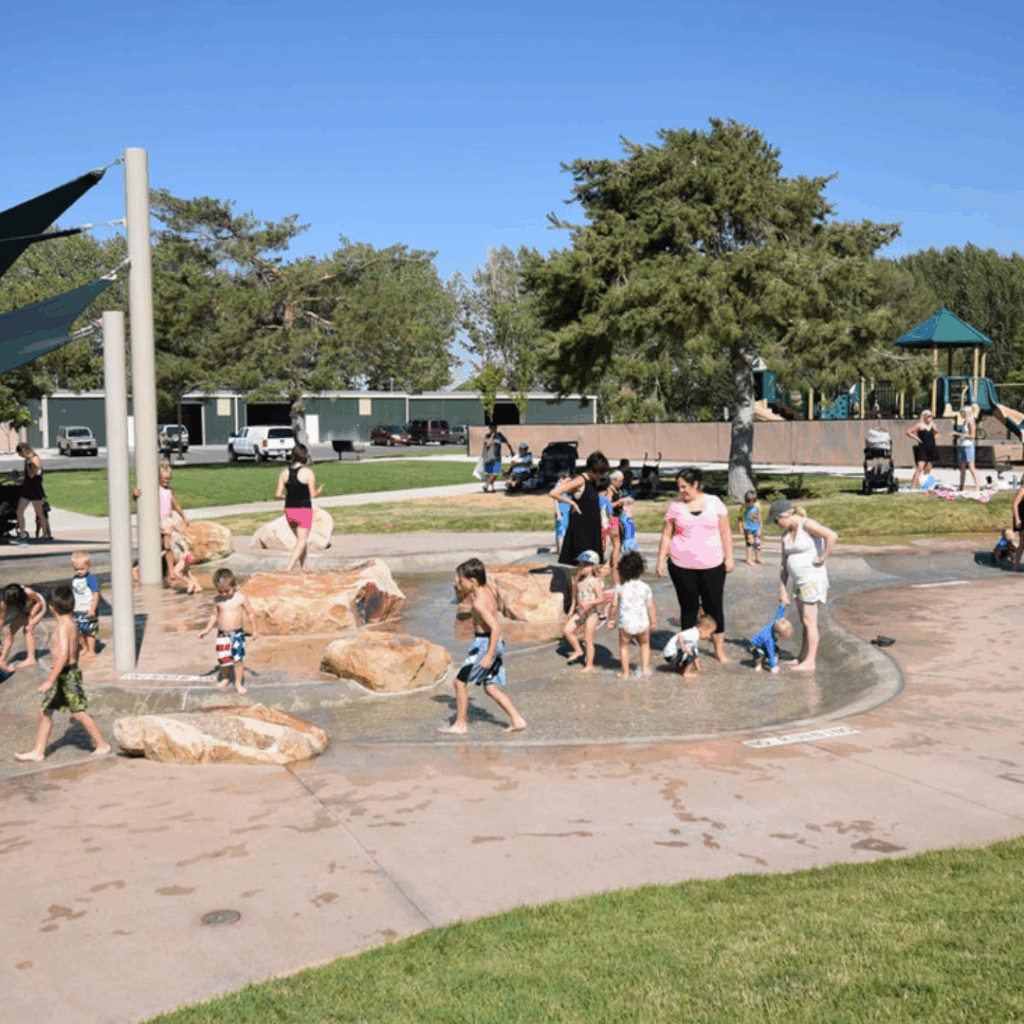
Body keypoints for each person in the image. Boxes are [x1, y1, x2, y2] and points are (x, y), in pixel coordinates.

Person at [13, 584, 110, 762]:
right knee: (45, 711)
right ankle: (38, 752)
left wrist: (50, 680)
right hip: (64, 674)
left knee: (78, 712)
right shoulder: (70, 623)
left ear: (52, 608)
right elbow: (75, 649)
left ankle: (102, 744)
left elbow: (64, 655)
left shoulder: (64, 627)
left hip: (66, 676)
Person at [656, 467, 734, 665]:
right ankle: (690, 653)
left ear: (696, 485)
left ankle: (719, 650)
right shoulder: (675, 507)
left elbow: (725, 532)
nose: (681, 491)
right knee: (688, 610)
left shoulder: (715, 503)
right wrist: (660, 560)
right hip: (681, 566)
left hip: (712, 565)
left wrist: (730, 557)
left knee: (714, 608)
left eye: (684, 487)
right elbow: (666, 535)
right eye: (679, 487)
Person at [440, 557, 527, 734]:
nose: (459, 583)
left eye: (461, 580)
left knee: (459, 683)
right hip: (495, 643)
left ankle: (460, 724)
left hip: (485, 644)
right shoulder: (487, 590)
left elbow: (496, 628)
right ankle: (517, 720)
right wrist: (458, 587)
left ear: (472, 581)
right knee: (490, 687)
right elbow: (461, 598)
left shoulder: (479, 603)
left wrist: (488, 655)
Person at [769, 498, 837, 673]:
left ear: (784, 516)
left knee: (809, 620)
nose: (777, 525)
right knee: (804, 621)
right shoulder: (785, 535)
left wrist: (822, 557)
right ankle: (802, 657)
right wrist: (782, 588)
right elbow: (783, 564)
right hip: (798, 582)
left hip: (812, 580)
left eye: (776, 521)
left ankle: (810, 661)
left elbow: (831, 535)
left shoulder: (806, 524)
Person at [198, 568, 261, 695]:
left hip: (237, 634)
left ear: (234, 585)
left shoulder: (241, 598)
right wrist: (207, 629)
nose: (224, 594)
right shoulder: (218, 600)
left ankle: (238, 682)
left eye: (227, 591)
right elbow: (214, 615)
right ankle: (226, 678)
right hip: (222, 635)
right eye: (221, 591)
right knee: (223, 659)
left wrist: (254, 630)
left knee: (238, 660)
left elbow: (250, 614)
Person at [550, 450, 610, 566]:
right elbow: (554, 493)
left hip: (593, 528)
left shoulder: (593, 482)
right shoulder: (580, 480)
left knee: (594, 563)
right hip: (582, 530)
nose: (600, 476)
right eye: (599, 473)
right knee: (584, 563)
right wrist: (571, 503)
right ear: (592, 470)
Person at [607, 550, 657, 678]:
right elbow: (650, 607)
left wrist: (611, 619)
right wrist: (653, 622)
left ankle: (625, 672)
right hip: (642, 623)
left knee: (624, 646)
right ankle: (645, 670)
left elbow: (614, 605)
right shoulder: (645, 587)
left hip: (626, 623)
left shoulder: (619, 588)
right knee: (645, 644)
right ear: (641, 569)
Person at [275, 443, 324, 572]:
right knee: (301, 541)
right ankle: (288, 569)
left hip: (289, 510)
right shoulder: (308, 473)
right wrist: (319, 491)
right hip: (303, 510)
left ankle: (304, 568)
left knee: (300, 541)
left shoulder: (284, 472)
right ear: (305, 456)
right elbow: (312, 495)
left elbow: (278, 494)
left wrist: (288, 496)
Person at [562, 550, 607, 672]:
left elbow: (601, 598)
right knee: (567, 630)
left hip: (591, 614)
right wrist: (571, 612)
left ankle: (589, 665)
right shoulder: (578, 580)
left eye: (585, 565)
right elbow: (574, 598)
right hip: (580, 614)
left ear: (593, 567)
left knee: (587, 639)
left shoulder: (594, 581)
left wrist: (590, 602)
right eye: (580, 565)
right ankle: (578, 650)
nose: (582, 567)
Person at [0, 583, 47, 672]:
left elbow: (39, 602)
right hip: (24, 609)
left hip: (38, 605)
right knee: (9, 632)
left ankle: (31, 659)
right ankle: (2, 659)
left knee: (28, 629)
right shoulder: (5, 601)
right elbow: (1, 619)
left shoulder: (28, 592)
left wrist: (31, 617)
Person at [159, 463, 190, 581]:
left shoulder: (169, 490)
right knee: (166, 546)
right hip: (160, 521)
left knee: (169, 546)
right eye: (164, 478)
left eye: (169, 478)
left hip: (167, 520)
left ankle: (174, 571)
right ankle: (171, 571)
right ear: (159, 477)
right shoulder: (156, 489)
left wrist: (184, 518)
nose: (167, 481)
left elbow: (176, 505)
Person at [15, 442, 51, 544]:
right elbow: (27, 478)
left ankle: (45, 534)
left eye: (20, 453)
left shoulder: (35, 459)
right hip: (26, 489)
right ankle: (22, 533)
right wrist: (18, 480)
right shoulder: (27, 461)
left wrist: (29, 463)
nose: (20, 456)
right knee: (19, 511)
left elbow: (33, 475)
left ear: (24, 451)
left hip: (35, 489)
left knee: (39, 513)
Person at [662, 612, 717, 678]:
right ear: (702, 629)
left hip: (670, 654)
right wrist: (683, 648)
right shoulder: (693, 633)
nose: (709, 636)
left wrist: (698, 668)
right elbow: (680, 637)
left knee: (692, 653)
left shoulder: (695, 636)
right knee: (690, 654)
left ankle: (680, 668)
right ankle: (686, 673)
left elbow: (695, 654)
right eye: (710, 633)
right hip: (671, 654)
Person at [70, 551, 101, 658]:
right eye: (76, 569)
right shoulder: (74, 579)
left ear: (88, 565)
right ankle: (84, 648)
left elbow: (96, 594)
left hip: (88, 610)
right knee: (79, 631)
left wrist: (93, 609)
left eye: (82, 569)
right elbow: (73, 594)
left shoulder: (90, 579)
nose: (79, 571)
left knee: (90, 631)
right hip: (77, 609)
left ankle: (91, 650)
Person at [748, 604, 795, 673]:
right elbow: (771, 653)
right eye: (783, 638)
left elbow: (779, 614)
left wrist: (783, 605)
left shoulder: (776, 622)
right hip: (754, 646)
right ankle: (758, 665)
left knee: (776, 650)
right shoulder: (769, 639)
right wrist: (773, 667)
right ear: (777, 635)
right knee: (760, 653)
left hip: (763, 645)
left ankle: (774, 663)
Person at [906, 410, 940, 490]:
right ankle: (912, 486)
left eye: (931, 416)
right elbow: (908, 432)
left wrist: (934, 438)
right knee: (920, 467)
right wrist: (916, 438)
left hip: (931, 447)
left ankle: (926, 486)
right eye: (928, 416)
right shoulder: (919, 425)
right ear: (924, 416)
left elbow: (937, 432)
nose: (930, 418)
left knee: (928, 468)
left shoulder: (933, 425)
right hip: (922, 447)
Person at [955, 406, 980, 495]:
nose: (961, 414)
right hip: (962, 445)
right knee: (961, 467)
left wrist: (960, 435)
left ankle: (977, 487)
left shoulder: (970, 422)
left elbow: (972, 436)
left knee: (971, 467)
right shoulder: (964, 422)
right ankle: (961, 486)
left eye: (962, 412)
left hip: (969, 446)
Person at [481, 424, 513, 494]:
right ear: (489, 429)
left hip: (497, 457)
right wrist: (492, 436)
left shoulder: (499, 435)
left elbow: (507, 442)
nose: (494, 430)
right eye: (492, 428)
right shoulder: (487, 436)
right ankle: (492, 488)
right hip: (489, 456)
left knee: (495, 472)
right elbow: (487, 445)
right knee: (491, 473)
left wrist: (511, 450)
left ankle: (486, 485)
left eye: (495, 428)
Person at [738, 489, 763, 565]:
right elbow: (740, 518)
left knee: (758, 544)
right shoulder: (743, 507)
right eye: (748, 503)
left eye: (752, 503)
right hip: (748, 528)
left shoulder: (757, 504)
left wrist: (761, 524)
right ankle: (749, 559)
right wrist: (740, 528)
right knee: (750, 543)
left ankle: (758, 558)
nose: (750, 505)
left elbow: (759, 514)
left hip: (757, 527)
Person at [553, 470, 572, 550]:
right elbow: (555, 500)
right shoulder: (558, 487)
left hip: (565, 511)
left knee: (561, 531)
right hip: (562, 512)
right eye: (566, 479)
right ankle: (561, 551)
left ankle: (559, 550)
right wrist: (558, 513)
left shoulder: (562, 487)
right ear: (561, 479)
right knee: (561, 532)